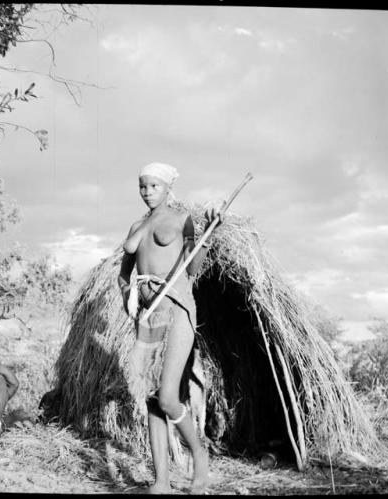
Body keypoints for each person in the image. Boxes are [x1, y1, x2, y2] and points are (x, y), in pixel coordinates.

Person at [118, 162, 222, 494]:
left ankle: (199, 456)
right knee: (151, 400)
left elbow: (192, 268)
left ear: (167, 188)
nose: (147, 192)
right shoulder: (137, 224)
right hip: (148, 317)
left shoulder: (181, 219)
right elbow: (124, 273)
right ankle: (161, 481)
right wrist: (128, 296)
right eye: (143, 186)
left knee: (166, 397)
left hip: (176, 310)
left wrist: (208, 234)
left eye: (154, 186)